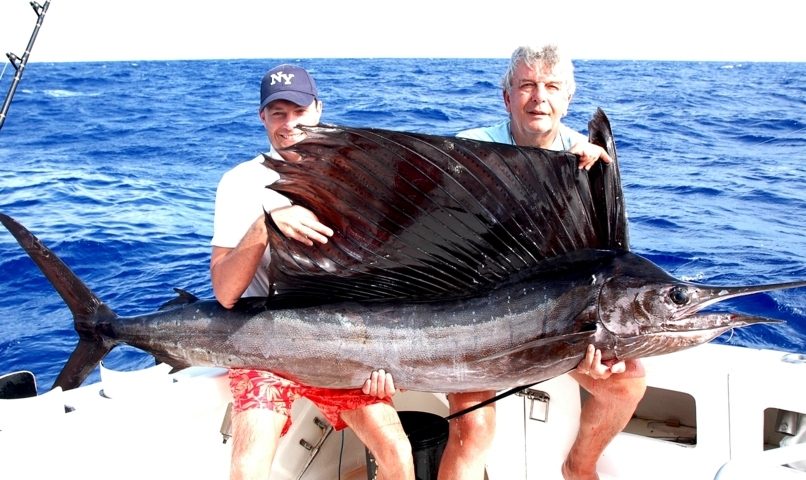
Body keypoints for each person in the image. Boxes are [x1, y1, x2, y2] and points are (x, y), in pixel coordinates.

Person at [448, 44, 648, 480]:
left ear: (567, 99)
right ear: (507, 98)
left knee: (628, 384)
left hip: (562, 327)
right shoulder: (468, 152)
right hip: (480, 319)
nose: (539, 97)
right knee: (472, 426)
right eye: (527, 86)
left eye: (552, 86)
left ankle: (579, 466)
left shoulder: (589, 160)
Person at [210, 64, 414, 480]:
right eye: (278, 113)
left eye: (299, 111)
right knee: (248, 467)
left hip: (344, 346)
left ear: (318, 109)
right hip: (264, 345)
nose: (290, 124)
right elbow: (226, 294)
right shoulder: (238, 183)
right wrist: (264, 226)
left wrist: (386, 361)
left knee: (397, 451)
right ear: (261, 116)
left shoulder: (357, 178)